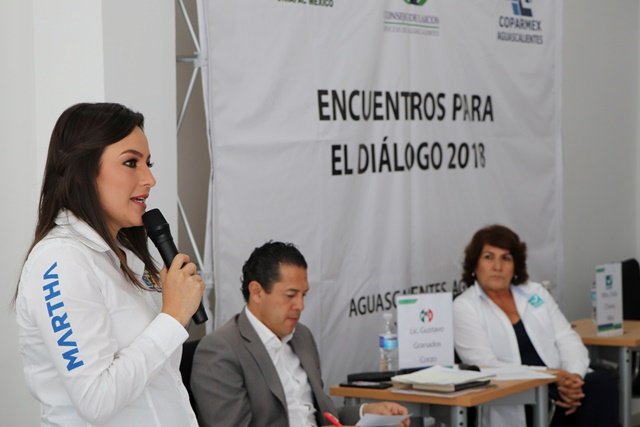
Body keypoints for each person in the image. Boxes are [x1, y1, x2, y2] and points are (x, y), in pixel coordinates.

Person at [14, 102, 205, 426]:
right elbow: (96, 399)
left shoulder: (126, 256)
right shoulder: (61, 261)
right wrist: (172, 317)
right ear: (83, 170)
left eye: (148, 163)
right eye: (131, 162)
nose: (150, 179)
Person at [191, 241, 410, 427]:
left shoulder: (302, 336)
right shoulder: (220, 350)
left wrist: (366, 412)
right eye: (290, 295)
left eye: (303, 295)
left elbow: (321, 415)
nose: (300, 306)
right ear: (256, 292)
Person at [453, 224, 618, 427]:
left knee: (600, 384)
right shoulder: (464, 306)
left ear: (515, 266)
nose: (497, 266)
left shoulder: (534, 292)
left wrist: (573, 378)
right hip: (518, 395)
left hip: (558, 385)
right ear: (474, 265)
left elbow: (567, 339)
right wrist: (549, 377)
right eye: (488, 257)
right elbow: (485, 366)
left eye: (506, 258)